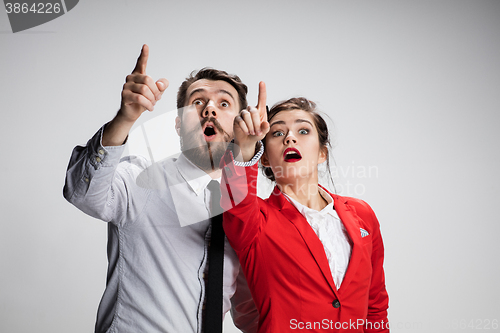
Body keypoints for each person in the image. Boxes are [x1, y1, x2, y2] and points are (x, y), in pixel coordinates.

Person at [63, 44, 258, 333]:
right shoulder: (140, 180)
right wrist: (125, 118)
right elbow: (82, 192)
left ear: (241, 124)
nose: (210, 109)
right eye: (197, 102)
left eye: (224, 103)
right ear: (179, 125)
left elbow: (250, 313)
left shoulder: (246, 214)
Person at [219, 97, 389, 332]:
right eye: (277, 133)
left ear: (322, 153)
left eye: (303, 130)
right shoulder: (256, 218)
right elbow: (235, 199)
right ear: (265, 158)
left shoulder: (362, 214)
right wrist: (244, 148)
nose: (290, 137)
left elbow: (375, 307)